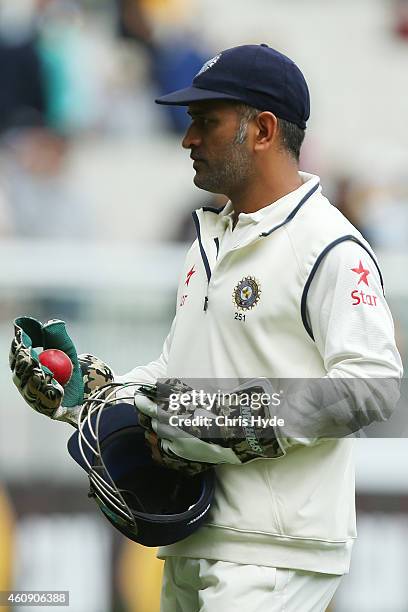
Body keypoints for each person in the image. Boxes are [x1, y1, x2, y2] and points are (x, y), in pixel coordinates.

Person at [10, 44, 403, 611]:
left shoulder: (329, 246)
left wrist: (226, 421)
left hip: (274, 551)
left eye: (206, 122)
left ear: (264, 129)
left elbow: (372, 385)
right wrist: (87, 394)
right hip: (194, 536)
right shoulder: (213, 240)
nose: (187, 139)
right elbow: (179, 379)